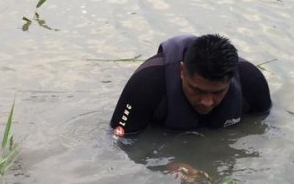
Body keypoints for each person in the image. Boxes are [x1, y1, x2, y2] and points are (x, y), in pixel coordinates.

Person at [109, 34, 272, 137]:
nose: (207, 102)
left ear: (230, 79)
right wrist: (164, 164)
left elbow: (262, 125)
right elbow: (119, 138)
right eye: (197, 90)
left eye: (217, 92)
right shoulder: (145, 86)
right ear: (182, 71)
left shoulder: (252, 82)